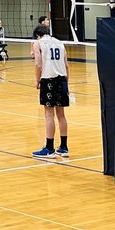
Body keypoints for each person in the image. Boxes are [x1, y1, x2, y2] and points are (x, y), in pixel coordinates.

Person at [30, 25, 70, 159]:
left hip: (48, 79)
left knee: (49, 114)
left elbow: (38, 65)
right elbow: (66, 65)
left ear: (37, 35)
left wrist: (37, 81)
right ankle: (64, 147)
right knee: (61, 114)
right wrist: (66, 82)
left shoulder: (38, 43)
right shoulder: (60, 43)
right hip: (62, 79)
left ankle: (49, 148)